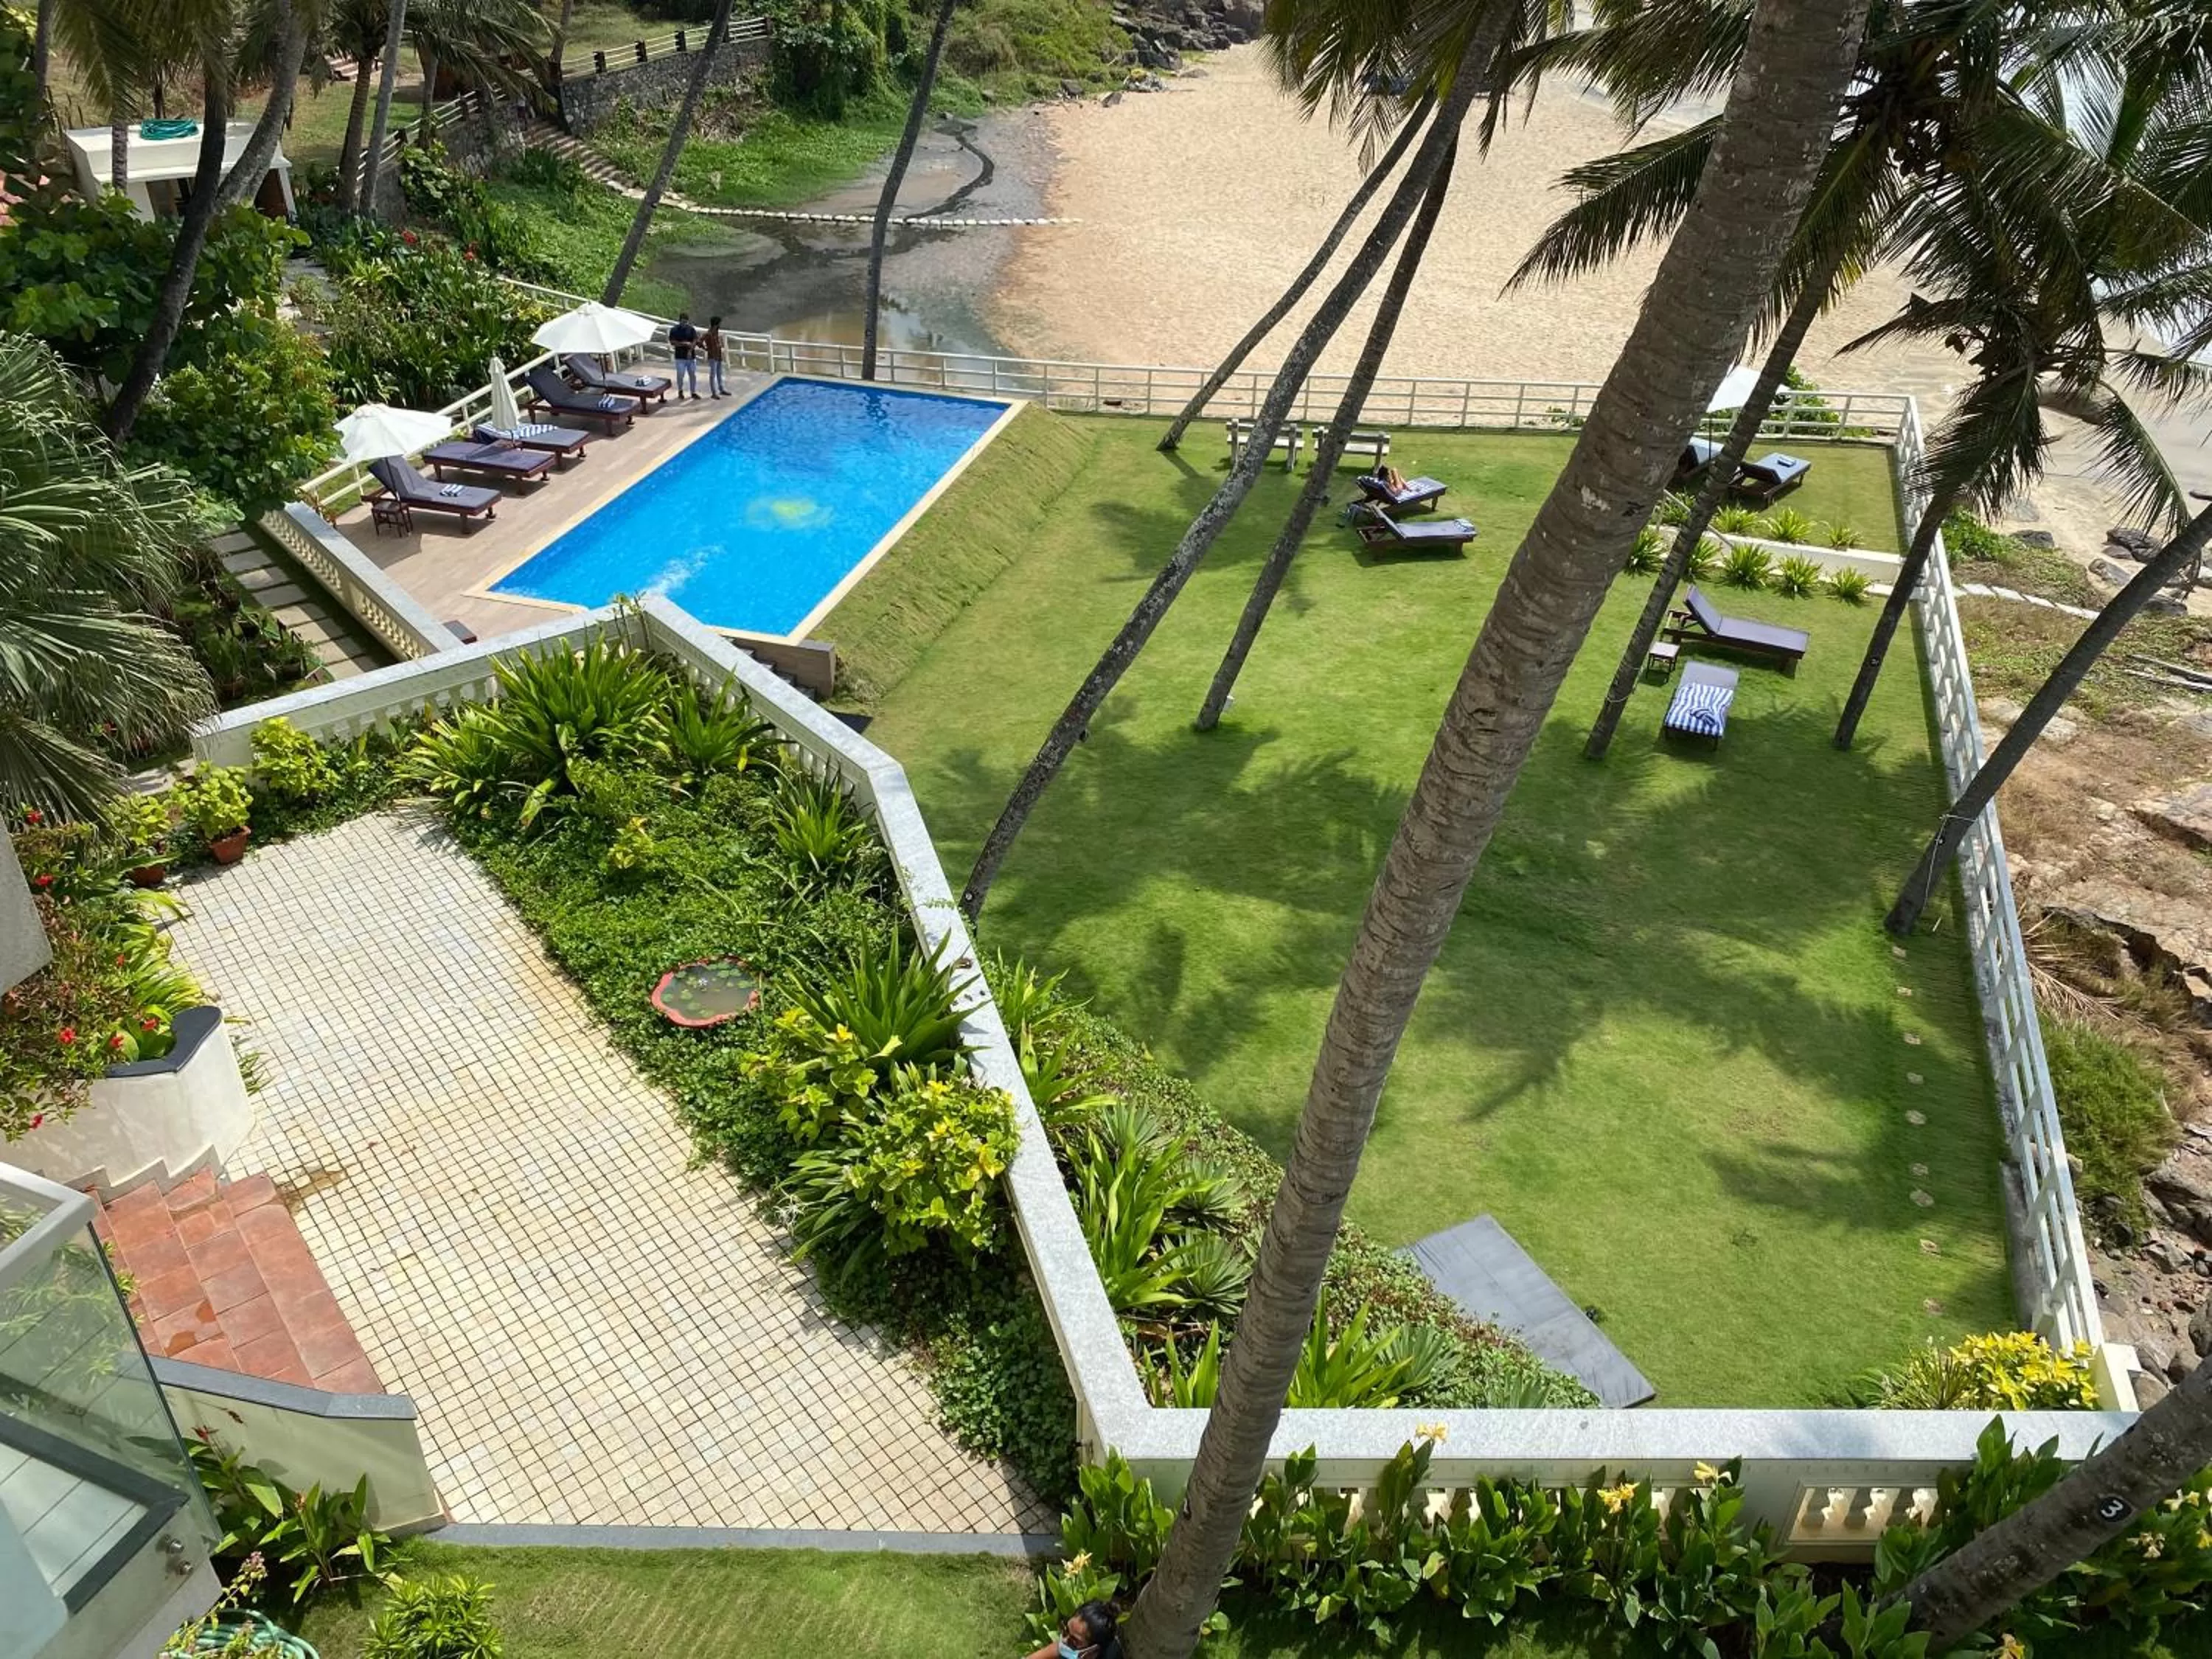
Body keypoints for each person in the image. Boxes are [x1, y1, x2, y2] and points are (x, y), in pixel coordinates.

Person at [1025, 1601, 1119, 1659]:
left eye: (1074, 1641)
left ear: (1092, 1652)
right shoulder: (1069, 1646)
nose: (1064, 1640)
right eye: (1065, 1630)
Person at [668, 312, 699, 400]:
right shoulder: (674, 330)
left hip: (691, 357)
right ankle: (680, 391)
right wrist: (684, 344)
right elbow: (672, 342)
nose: (684, 324)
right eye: (683, 322)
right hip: (680, 357)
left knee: (693, 374)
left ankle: (693, 392)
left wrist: (690, 350)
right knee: (680, 374)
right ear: (680, 321)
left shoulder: (691, 329)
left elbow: (695, 340)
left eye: (686, 322)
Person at [704, 316, 727, 398]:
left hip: (718, 355)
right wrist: (706, 349)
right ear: (716, 324)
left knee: (719, 374)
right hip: (713, 357)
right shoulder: (709, 334)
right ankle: (714, 392)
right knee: (713, 375)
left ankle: (721, 389)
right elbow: (700, 341)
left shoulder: (716, 332)